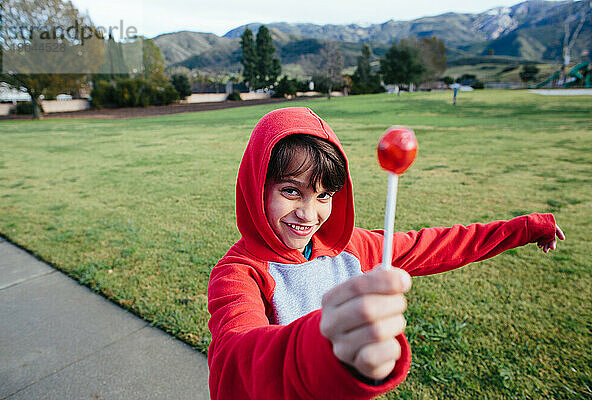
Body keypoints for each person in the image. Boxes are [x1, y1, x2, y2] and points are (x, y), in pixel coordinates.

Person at [207, 107, 564, 400]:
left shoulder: (355, 248)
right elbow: (234, 358)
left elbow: (440, 244)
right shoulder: (238, 273)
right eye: (291, 191)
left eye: (323, 196)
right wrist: (321, 346)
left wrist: (528, 228)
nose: (308, 214)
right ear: (256, 186)